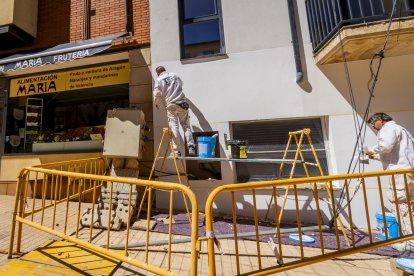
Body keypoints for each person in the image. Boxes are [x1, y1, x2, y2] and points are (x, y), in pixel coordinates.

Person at [366, 112, 414, 251]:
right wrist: (374, 156)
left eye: (373, 124)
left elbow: (385, 147)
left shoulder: (388, 129)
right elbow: (395, 155)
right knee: (409, 205)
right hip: (408, 172)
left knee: (400, 204)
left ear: (380, 120)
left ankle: (410, 243)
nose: (374, 127)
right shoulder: (401, 129)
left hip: (400, 174)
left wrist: (370, 149)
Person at [153, 66, 196, 157]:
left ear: (157, 73)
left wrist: (157, 104)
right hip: (182, 103)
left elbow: (157, 94)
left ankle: (176, 151)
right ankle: (191, 146)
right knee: (186, 126)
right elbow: (181, 83)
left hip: (171, 105)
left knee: (174, 127)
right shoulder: (174, 75)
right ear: (165, 70)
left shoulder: (159, 79)